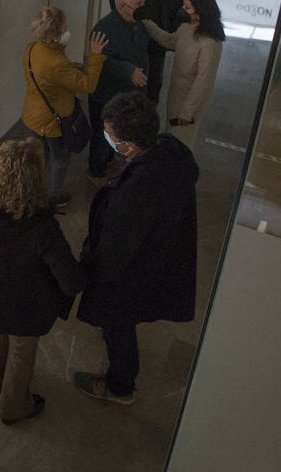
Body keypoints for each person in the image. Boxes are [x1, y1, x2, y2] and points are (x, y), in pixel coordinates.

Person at [0, 139, 84, 425]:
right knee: (21, 351)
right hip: (23, 306)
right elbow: (70, 280)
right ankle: (13, 406)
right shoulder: (39, 225)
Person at [75, 92, 198, 406]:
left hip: (130, 275)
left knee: (118, 325)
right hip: (158, 257)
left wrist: (91, 270)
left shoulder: (140, 191)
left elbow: (116, 250)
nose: (107, 138)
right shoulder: (170, 152)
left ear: (127, 145)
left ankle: (120, 386)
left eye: (111, 135)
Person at [20, 7, 108, 208]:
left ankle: (33, 191)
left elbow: (48, 77)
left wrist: (71, 69)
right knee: (60, 158)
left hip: (33, 114)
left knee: (39, 156)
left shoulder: (32, 49)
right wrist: (95, 56)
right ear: (56, 34)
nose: (68, 31)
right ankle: (53, 196)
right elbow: (88, 85)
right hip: (54, 120)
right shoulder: (57, 62)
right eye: (65, 28)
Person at [108, 0, 190, 104]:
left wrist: (169, 34)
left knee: (153, 78)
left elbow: (181, 12)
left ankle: (148, 109)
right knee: (129, 73)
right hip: (132, 34)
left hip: (158, 40)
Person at [141, 0, 225, 147]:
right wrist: (147, 23)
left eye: (187, 8)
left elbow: (203, 80)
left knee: (182, 140)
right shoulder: (186, 28)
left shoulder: (209, 42)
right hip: (177, 93)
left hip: (191, 98)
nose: (182, 10)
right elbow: (170, 41)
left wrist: (188, 111)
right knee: (171, 134)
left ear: (200, 12)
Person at [87, 0, 149, 178]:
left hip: (125, 95)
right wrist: (129, 71)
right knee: (101, 136)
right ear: (124, 7)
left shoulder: (137, 23)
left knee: (117, 134)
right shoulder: (104, 30)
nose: (143, 7)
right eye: (139, 4)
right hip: (106, 97)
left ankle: (109, 160)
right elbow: (101, 60)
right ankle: (96, 171)